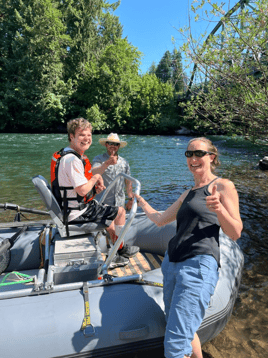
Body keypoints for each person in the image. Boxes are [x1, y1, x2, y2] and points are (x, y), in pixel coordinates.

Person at [134, 137, 243, 358]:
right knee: (183, 328)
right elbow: (161, 219)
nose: (193, 158)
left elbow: (235, 233)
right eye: (189, 154)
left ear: (211, 157)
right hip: (171, 264)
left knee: (175, 345)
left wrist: (220, 210)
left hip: (197, 266)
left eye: (199, 153)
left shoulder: (222, 186)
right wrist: (140, 201)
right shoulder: (189, 193)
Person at [51, 118, 139, 268]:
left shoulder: (65, 154)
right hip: (77, 212)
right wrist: (97, 178)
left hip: (74, 207)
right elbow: (83, 189)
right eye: (81, 135)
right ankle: (120, 250)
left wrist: (93, 187)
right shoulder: (74, 159)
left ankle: (117, 250)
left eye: (89, 135)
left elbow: (78, 186)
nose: (86, 139)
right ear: (71, 136)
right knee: (120, 212)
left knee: (112, 223)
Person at [92, 133, 134, 211]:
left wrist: (130, 199)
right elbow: (93, 173)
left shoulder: (124, 162)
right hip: (102, 202)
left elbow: (128, 182)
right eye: (111, 143)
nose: (113, 146)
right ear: (106, 145)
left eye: (116, 144)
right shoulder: (98, 159)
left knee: (120, 223)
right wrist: (107, 163)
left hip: (120, 203)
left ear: (118, 146)